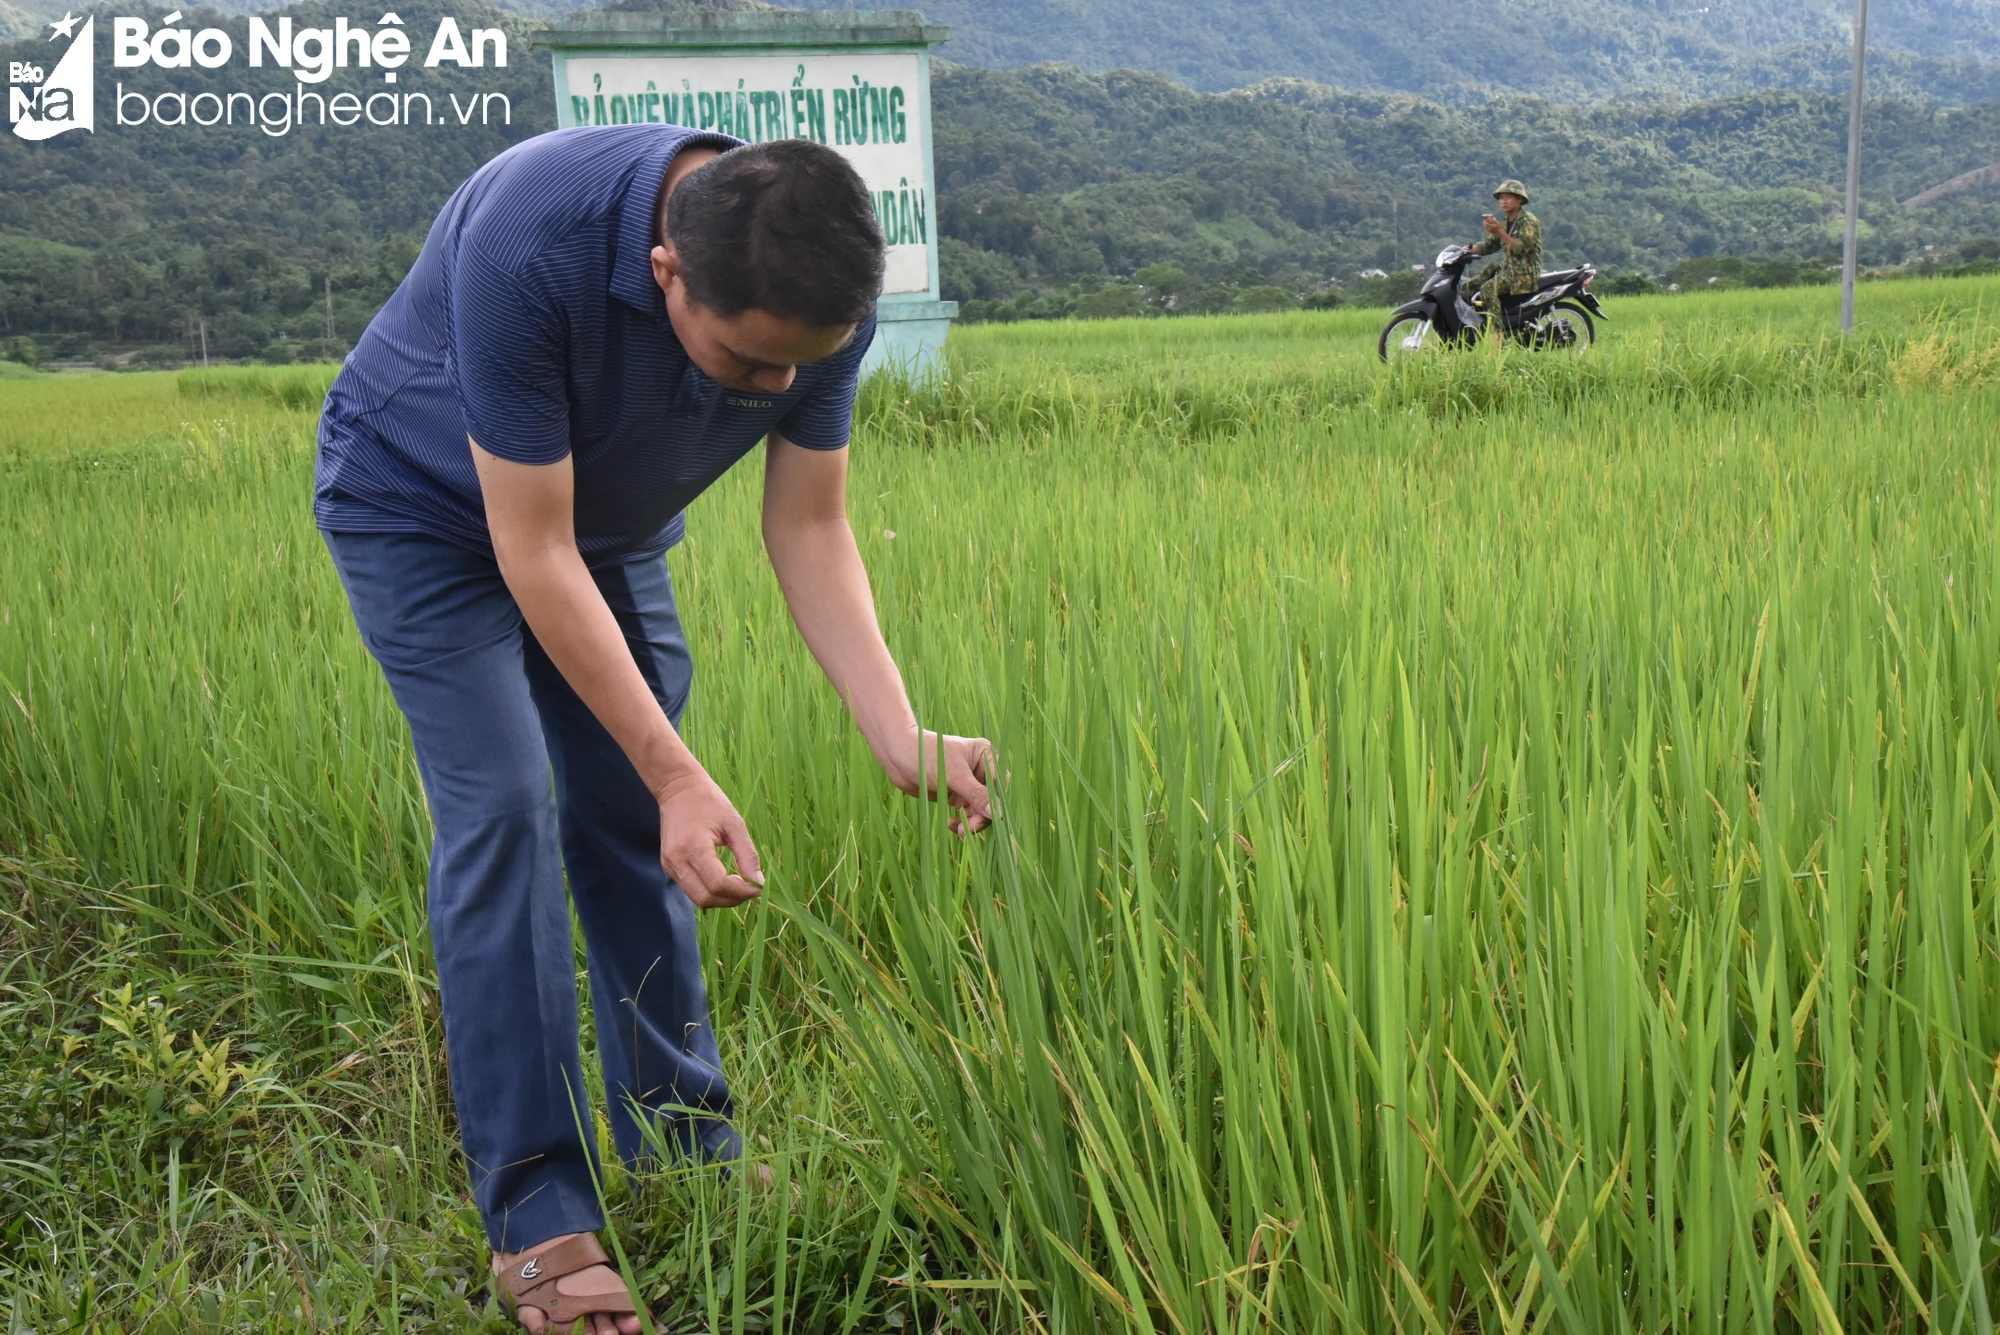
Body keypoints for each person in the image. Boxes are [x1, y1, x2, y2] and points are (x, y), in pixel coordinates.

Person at [314, 125, 994, 1334]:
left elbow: (810, 527)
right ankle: (536, 1215)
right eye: (743, 366)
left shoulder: (812, 293)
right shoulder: (535, 240)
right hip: (421, 509)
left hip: (607, 532)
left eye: (803, 367)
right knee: (509, 805)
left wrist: (899, 733)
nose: (773, 392)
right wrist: (678, 769)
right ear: (665, 270)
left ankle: (682, 1140)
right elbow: (527, 547)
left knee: (635, 815)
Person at [1464, 179, 1543, 326]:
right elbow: (1489, 245)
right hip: (1509, 270)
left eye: (1508, 197)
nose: (1503, 201)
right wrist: (1465, 250)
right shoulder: (1506, 222)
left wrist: (1499, 231)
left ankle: (1497, 333)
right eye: (1501, 198)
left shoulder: (1528, 221)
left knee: (1488, 288)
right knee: (1468, 286)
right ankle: (1472, 325)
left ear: (1519, 200)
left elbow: (1520, 248)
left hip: (1523, 273)